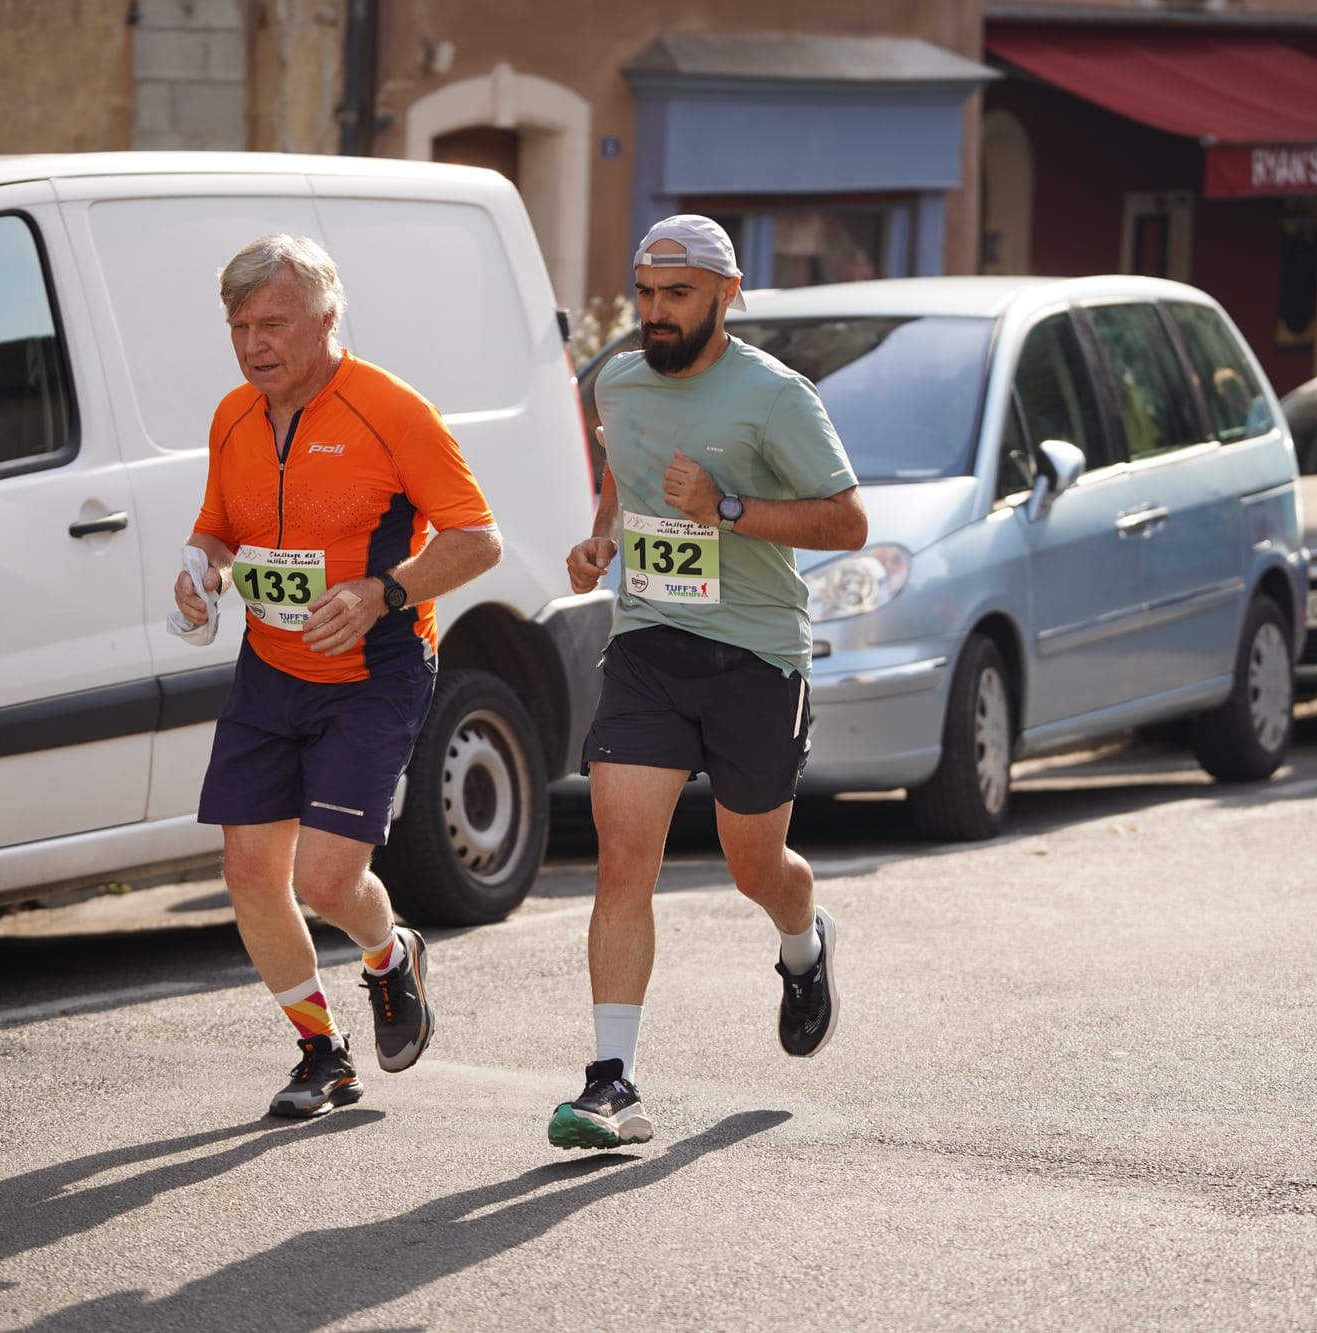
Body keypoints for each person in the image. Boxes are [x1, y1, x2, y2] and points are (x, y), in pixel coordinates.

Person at [550, 215, 868, 1150]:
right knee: (622, 853)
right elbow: (622, 472)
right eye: (645, 293)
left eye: (676, 296)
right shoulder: (618, 378)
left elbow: (848, 521)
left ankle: (804, 941)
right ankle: (612, 1081)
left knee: (752, 866)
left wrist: (727, 507)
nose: (654, 312)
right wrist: (603, 535)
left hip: (757, 657)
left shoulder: (775, 398)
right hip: (650, 643)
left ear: (727, 297)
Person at [171, 233, 500, 1119]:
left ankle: (391, 955)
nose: (252, 346)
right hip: (271, 668)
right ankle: (322, 1050)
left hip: (372, 670)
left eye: (272, 323)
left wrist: (383, 591)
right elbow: (218, 528)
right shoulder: (234, 414)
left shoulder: (391, 412)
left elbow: (477, 538)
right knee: (249, 873)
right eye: (238, 326)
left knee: (324, 879)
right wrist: (200, 570)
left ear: (325, 318)